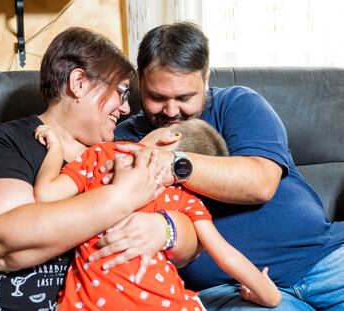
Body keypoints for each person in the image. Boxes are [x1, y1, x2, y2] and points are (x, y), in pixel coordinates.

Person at [0, 27, 190, 311]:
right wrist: (119, 199)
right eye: (121, 92)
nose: (126, 109)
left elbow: (191, 231)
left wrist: (166, 228)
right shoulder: (5, 142)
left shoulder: (122, 154)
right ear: (78, 82)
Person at [114, 22, 344, 310]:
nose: (171, 111)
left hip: (324, 258)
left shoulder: (237, 104)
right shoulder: (124, 139)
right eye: (157, 97)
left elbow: (261, 183)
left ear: (206, 78)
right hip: (232, 289)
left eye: (185, 98)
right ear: (140, 80)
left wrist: (174, 163)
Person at [33, 118, 280, 310]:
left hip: (92, 302)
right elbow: (227, 257)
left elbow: (45, 194)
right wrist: (268, 294)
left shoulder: (104, 155)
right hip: (166, 302)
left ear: (171, 137)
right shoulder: (187, 201)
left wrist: (55, 148)